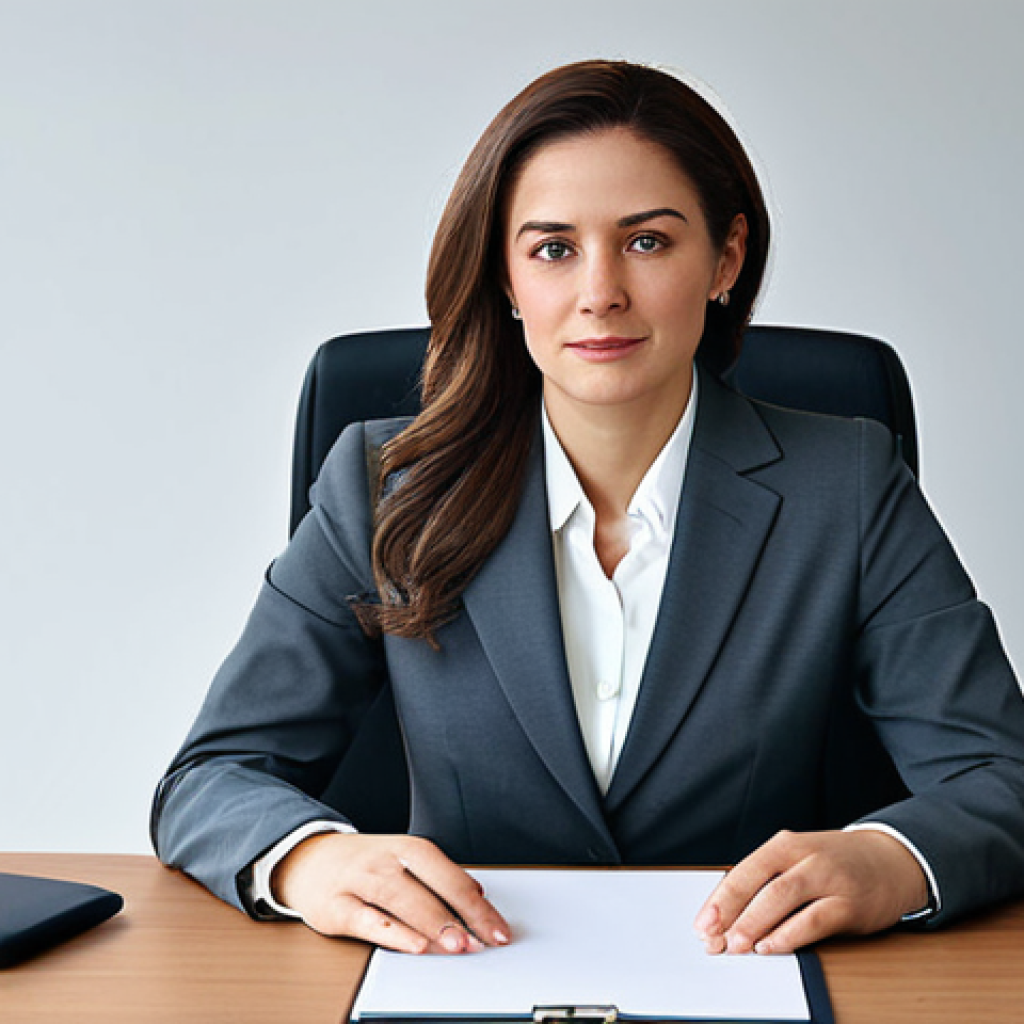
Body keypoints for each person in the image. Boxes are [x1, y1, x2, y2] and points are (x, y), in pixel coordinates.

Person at [152, 59, 1024, 958]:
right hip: (463, 971)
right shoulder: (384, 484)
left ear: (725, 258)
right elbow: (212, 778)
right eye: (553, 249)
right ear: (504, 275)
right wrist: (310, 861)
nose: (600, 292)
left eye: (647, 241)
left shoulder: (848, 484)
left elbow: (1001, 778)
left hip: (740, 973)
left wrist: (890, 860)